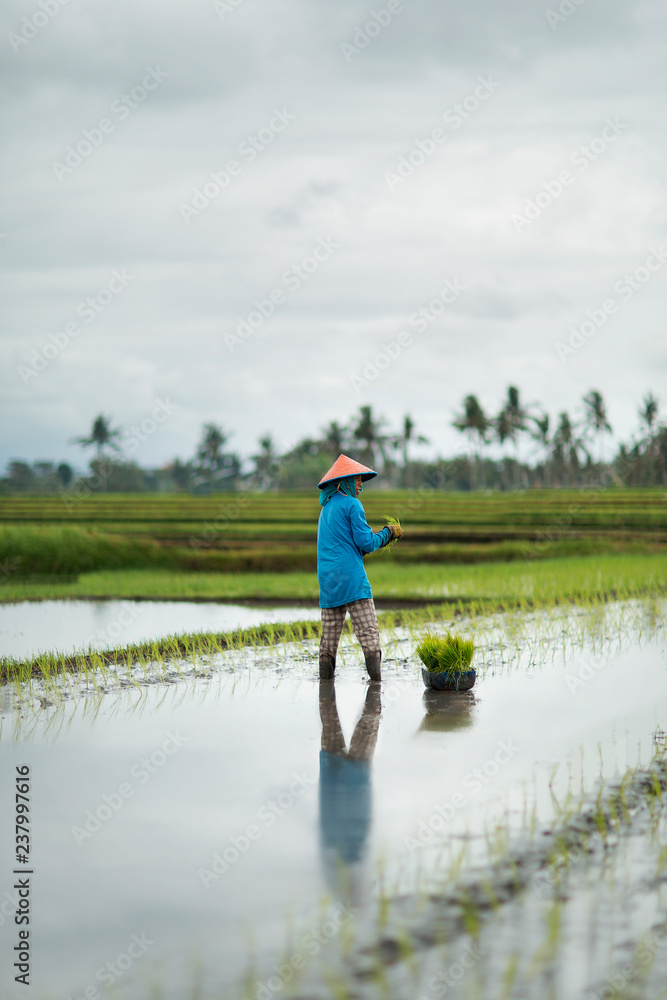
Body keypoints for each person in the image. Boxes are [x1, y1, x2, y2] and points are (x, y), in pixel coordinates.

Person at [316, 454, 403, 681]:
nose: (360, 485)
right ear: (343, 482)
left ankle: (325, 695)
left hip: (328, 583)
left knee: (328, 640)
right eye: (357, 480)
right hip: (353, 581)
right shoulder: (353, 505)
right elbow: (367, 543)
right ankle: (376, 687)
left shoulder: (325, 510)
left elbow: (344, 545)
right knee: (369, 634)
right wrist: (388, 533)